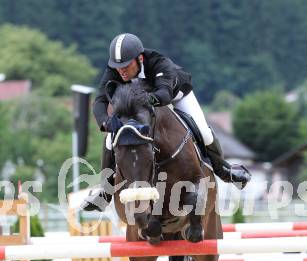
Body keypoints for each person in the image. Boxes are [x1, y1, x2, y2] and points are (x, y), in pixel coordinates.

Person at [81, 33, 251, 211]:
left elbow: (164, 95)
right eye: (118, 66)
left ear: (139, 58)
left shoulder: (158, 63)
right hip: (141, 103)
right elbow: (100, 101)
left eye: (126, 65)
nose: (121, 71)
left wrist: (144, 100)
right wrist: (105, 122)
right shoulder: (114, 70)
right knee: (110, 139)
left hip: (176, 96)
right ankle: (105, 191)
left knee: (204, 131)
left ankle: (224, 170)